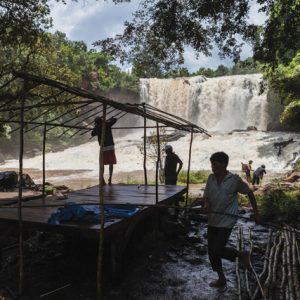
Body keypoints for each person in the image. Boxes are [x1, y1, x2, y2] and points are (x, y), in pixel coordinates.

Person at [203, 152, 259, 288]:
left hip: (227, 219)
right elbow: (206, 197)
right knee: (212, 251)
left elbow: (249, 192)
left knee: (217, 249)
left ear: (224, 164)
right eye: (211, 164)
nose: (212, 167)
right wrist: (206, 205)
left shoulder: (234, 180)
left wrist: (256, 212)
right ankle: (221, 279)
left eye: (215, 164)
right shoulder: (210, 179)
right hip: (213, 219)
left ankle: (241, 255)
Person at [91, 116, 117, 185]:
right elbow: (114, 119)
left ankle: (102, 178)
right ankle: (110, 178)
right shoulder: (107, 124)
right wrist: (108, 120)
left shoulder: (97, 127)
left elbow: (92, 134)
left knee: (102, 164)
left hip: (104, 147)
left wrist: (96, 127)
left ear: (96, 123)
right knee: (111, 163)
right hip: (110, 146)